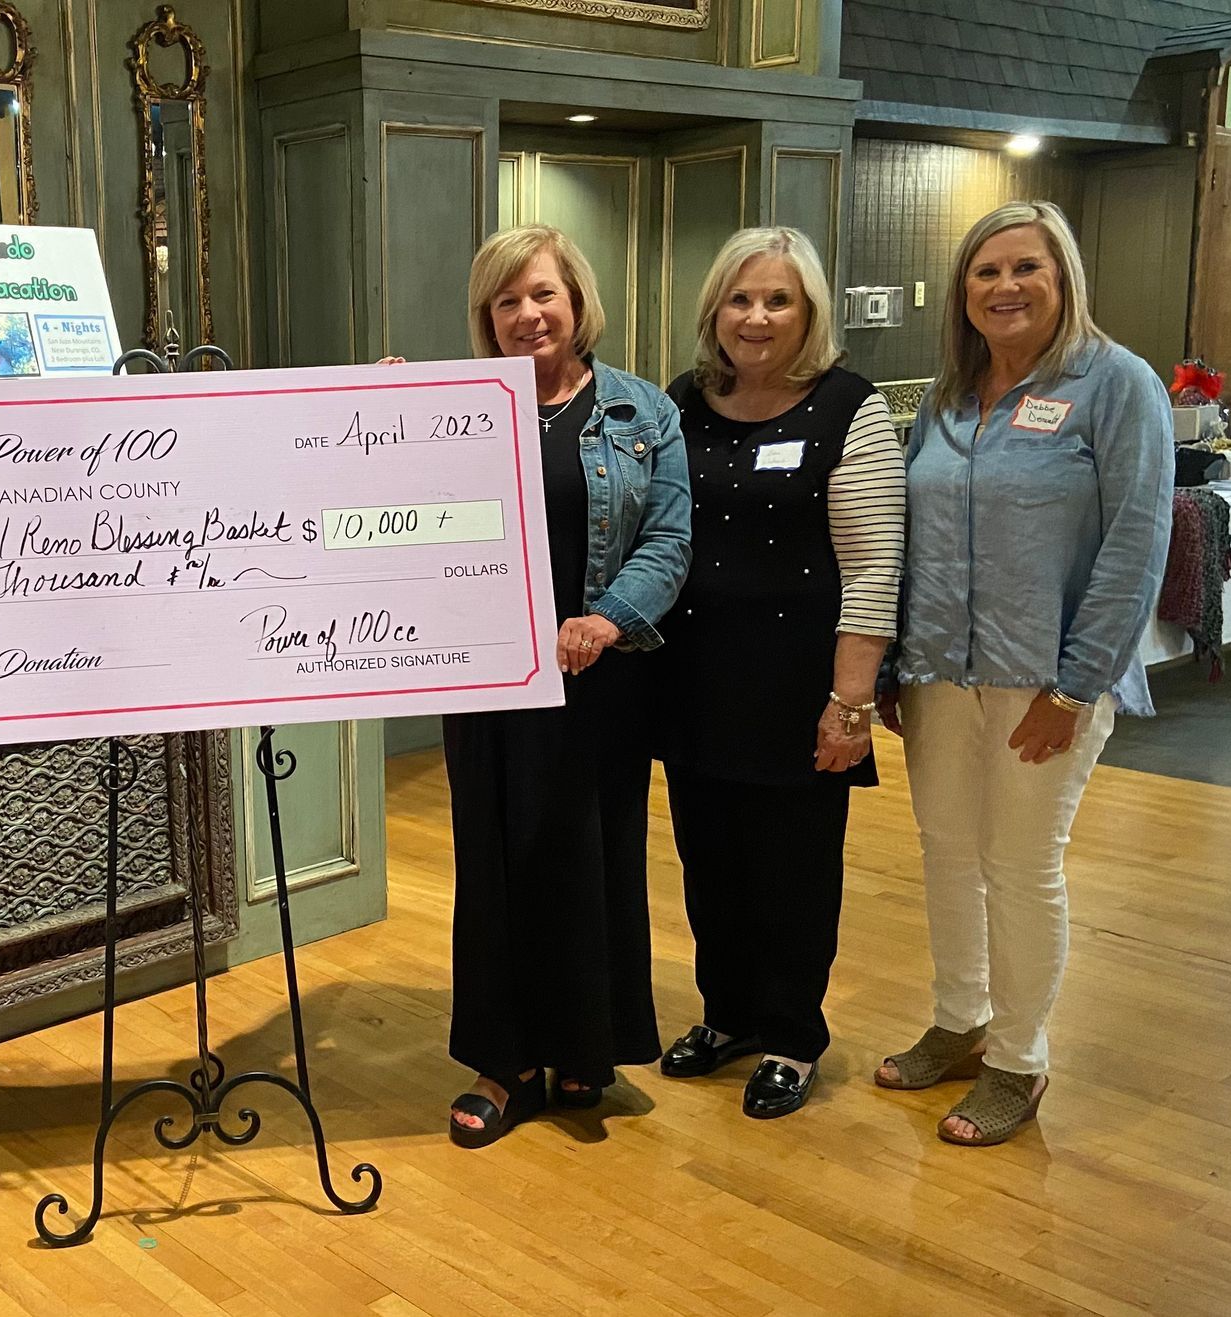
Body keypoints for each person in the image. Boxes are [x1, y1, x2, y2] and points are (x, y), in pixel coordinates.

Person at [384, 224, 691, 1146]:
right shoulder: (457, 404)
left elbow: (669, 538)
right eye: (506, 300)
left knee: (591, 860)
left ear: (577, 300)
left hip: (598, 673)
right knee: (494, 861)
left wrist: (609, 619)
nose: (528, 314)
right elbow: (396, 519)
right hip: (487, 676)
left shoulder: (643, 412)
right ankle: (504, 1058)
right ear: (487, 317)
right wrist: (386, 418)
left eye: (544, 293)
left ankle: (581, 1049)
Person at [874, 201, 1172, 1145]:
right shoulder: (947, 396)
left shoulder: (1115, 385)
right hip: (936, 676)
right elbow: (911, 530)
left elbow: (1137, 543)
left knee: (1021, 868)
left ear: (1064, 278)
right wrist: (891, 660)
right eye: (985, 272)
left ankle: (1018, 1056)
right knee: (947, 854)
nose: (1004, 288)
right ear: (962, 292)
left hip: (1045, 680)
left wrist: (1078, 686)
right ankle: (959, 1019)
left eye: (1025, 268)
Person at [655, 227, 906, 1119]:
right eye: (740, 298)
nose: (756, 317)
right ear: (714, 311)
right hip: (694, 681)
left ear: (810, 313)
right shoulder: (684, 400)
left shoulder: (849, 406)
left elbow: (873, 567)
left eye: (779, 300)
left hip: (802, 686)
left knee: (794, 871)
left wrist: (850, 703)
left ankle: (794, 1035)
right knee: (708, 861)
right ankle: (728, 1015)